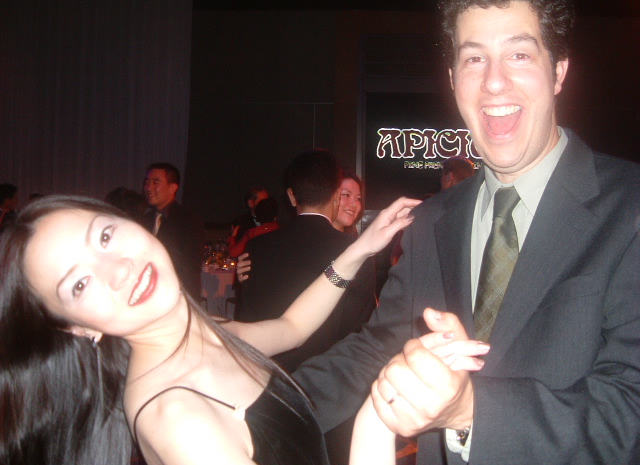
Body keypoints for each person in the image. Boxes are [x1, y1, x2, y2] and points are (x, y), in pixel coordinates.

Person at [293, 0, 640, 464]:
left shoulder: (629, 207)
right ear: (454, 78)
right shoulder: (431, 221)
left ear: (559, 71)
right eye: (475, 59)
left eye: (519, 54)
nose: (494, 82)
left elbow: (629, 408)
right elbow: (377, 349)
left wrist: (471, 411)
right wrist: (260, 413)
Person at [0, 193, 419, 465]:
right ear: (77, 328)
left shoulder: (201, 332)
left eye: (105, 236)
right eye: (79, 284)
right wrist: (377, 419)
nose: (120, 269)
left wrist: (361, 248)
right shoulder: (176, 417)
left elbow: (290, 327)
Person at [238, 150, 378, 373]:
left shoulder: (257, 247)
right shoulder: (356, 253)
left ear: (292, 197)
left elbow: (246, 323)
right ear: (336, 196)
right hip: (326, 378)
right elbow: (358, 333)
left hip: (268, 376)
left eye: (358, 198)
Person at [143, 163, 204, 300]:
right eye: (147, 182)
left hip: (175, 294)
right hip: (150, 294)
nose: (149, 188)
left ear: (172, 188)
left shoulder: (187, 220)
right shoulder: (145, 219)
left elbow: (190, 266)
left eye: (155, 182)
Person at [332, 169, 363, 236]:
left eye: (358, 198)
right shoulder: (313, 237)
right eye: (346, 195)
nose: (354, 204)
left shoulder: (354, 240)